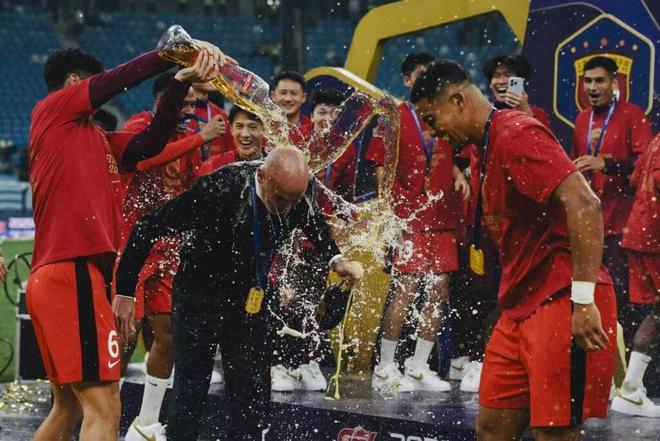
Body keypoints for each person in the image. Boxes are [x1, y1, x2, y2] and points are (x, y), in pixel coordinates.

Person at [27, 42, 225, 441]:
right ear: (72, 83)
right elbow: (116, 81)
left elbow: (150, 145)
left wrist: (177, 84)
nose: (98, 92)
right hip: (72, 273)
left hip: (59, 276)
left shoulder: (95, 138)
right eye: (91, 84)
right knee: (105, 408)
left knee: (67, 408)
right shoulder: (52, 110)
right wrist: (170, 55)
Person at [412, 59, 616, 440]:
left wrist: (584, 300)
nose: (430, 130)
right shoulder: (486, 143)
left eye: (431, 118)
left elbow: (585, 203)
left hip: (561, 298)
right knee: (491, 428)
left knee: (554, 433)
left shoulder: (516, 133)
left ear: (457, 100)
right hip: (520, 303)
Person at [114, 148, 363, 440]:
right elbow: (147, 228)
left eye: (293, 202)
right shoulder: (219, 190)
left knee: (250, 395)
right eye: (280, 200)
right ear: (262, 175)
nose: (286, 209)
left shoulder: (294, 193)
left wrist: (336, 259)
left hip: (248, 300)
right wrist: (125, 291)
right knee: (191, 390)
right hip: (198, 298)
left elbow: (312, 220)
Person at [121, 73, 227, 441]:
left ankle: (146, 423)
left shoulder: (191, 138)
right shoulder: (139, 126)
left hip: (168, 248)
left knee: (167, 332)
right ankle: (104, 413)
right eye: (182, 103)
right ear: (161, 101)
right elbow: (144, 162)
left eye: (193, 104)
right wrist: (200, 139)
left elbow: (189, 188)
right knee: (126, 333)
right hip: (132, 245)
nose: (188, 110)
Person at [370, 51, 469, 393]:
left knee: (438, 291)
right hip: (408, 219)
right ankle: (384, 366)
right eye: (421, 74)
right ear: (407, 79)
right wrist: (390, 217)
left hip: (442, 217)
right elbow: (380, 169)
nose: (428, 81)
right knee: (406, 290)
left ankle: (418, 365)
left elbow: (451, 156)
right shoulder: (392, 117)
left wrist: (457, 174)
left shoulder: (444, 115)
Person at [571, 55, 653, 348]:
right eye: (588, 81)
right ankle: (597, 362)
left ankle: (628, 363)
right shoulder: (582, 119)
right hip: (591, 225)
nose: (592, 88)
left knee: (622, 302)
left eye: (599, 81)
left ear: (614, 83)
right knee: (591, 297)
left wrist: (606, 164)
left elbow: (645, 164)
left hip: (623, 227)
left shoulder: (632, 115)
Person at [611, 133, 660, 418]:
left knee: (658, 312)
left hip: (641, 234)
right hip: (653, 239)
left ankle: (630, 388)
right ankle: (629, 389)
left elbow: (635, 179)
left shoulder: (655, 140)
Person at [482, 54, 550, 127]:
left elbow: (539, 133)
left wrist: (526, 111)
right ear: (490, 84)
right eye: (496, 76)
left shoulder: (537, 114)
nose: (501, 81)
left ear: (520, 81)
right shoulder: (484, 114)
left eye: (508, 75)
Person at [197, 105, 266, 176]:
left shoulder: (272, 167)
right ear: (231, 129)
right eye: (239, 126)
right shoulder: (213, 166)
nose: (245, 134)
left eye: (252, 127)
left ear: (264, 130)